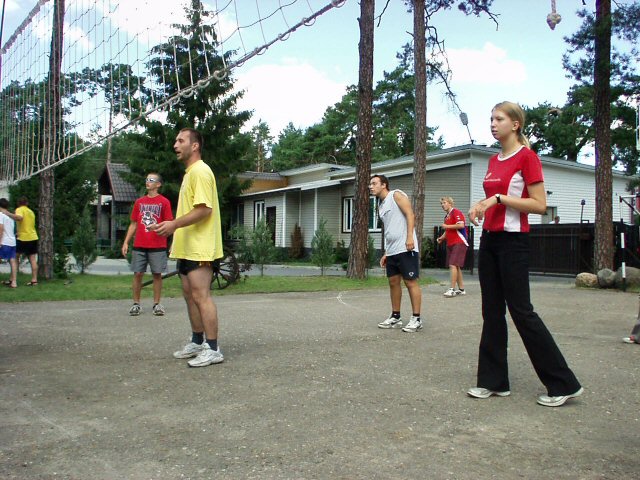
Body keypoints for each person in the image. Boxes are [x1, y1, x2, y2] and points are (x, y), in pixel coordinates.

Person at [466, 101, 583, 407]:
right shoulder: (493, 160)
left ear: (515, 124)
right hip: (489, 241)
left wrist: (499, 199)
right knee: (491, 311)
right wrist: (481, 205)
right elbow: (495, 197)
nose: (492, 123)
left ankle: (563, 383)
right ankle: (493, 382)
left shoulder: (527, 157)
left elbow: (539, 204)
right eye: (490, 118)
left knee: (522, 311)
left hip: (514, 243)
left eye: (499, 119)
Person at [150, 128, 225, 367]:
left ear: (195, 146)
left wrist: (173, 224)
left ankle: (213, 349)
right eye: (175, 140)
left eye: (180, 140)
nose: (175, 145)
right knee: (189, 296)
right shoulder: (190, 173)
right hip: (187, 245)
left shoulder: (201, 171)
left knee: (201, 296)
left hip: (201, 247)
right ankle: (197, 341)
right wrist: (171, 227)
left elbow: (205, 210)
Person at [369, 174, 423, 333]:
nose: (370, 187)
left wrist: (409, 238)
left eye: (374, 183)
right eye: (370, 184)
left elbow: (410, 215)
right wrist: (387, 252)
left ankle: (416, 318)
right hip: (392, 250)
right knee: (393, 282)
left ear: (384, 184)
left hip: (406, 247)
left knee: (410, 281)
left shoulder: (396, 195)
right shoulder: (380, 205)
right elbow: (390, 228)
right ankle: (395, 317)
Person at [121, 173, 173, 316]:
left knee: (157, 274)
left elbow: (169, 224)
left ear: (158, 184)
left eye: (151, 180)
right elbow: (133, 224)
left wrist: (157, 227)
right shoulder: (139, 202)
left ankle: (156, 304)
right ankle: (136, 304)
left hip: (158, 245)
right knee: (138, 273)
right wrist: (126, 242)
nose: (148, 182)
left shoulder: (164, 202)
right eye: (146, 180)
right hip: (140, 244)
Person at [436, 196, 468, 297]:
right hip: (451, 243)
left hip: (459, 241)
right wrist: (441, 238)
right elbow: (448, 231)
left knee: (452, 264)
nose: (442, 205)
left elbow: (461, 225)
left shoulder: (456, 212)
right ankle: (461, 289)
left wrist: (447, 226)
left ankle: (452, 289)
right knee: (456, 266)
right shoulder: (446, 217)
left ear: (450, 203)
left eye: (444, 202)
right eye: (441, 204)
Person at [9, 197, 39, 286]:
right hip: (33, 237)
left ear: (18, 203)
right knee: (32, 259)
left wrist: (8, 214)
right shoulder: (31, 212)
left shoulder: (19, 209)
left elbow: (19, 218)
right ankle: (34, 280)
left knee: (15, 258)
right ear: (27, 203)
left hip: (23, 237)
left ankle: (12, 279)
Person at [0, 198, 18, 288]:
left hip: (4, 241)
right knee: (12, 260)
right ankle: (14, 282)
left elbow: (1, 229)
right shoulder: (11, 217)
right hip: (12, 241)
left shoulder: (0, 215)